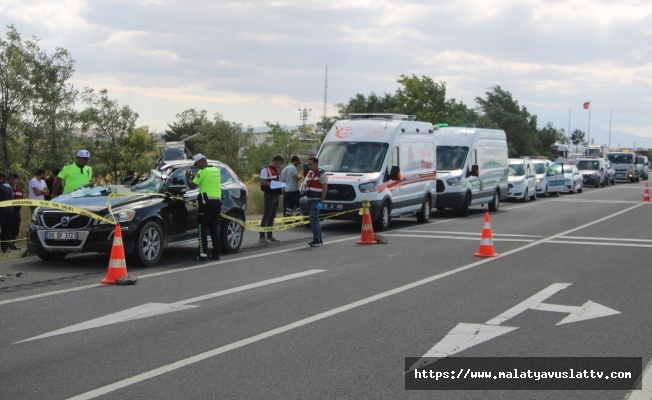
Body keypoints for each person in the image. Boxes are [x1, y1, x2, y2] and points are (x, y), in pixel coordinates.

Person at [185, 154, 222, 261]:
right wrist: (194, 175)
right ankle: (216, 254)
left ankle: (203, 254)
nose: (197, 166)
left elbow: (192, 185)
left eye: (196, 164)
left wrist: (188, 177)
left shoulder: (202, 172)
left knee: (202, 229)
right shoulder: (215, 170)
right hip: (217, 202)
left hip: (206, 203)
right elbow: (204, 178)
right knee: (214, 229)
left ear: (201, 161)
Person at [259, 155, 284, 243]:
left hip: (276, 194)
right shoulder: (265, 170)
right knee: (267, 215)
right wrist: (273, 184)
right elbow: (262, 182)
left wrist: (281, 183)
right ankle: (262, 237)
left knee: (272, 215)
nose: (279, 166)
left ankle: (270, 236)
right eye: (279, 164)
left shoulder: (276, 170)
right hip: (269, 194)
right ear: (275, 161)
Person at [304, 156, 328, 247]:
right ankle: (318, 239)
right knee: (314, 219)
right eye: (308, 164)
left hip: (316, 200)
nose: (308, 166)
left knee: (313, 219)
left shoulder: (321, 174)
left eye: (310, 164)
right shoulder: (309, 173)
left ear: (315, 164)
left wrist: (321, 202)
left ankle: (317, 239)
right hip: (309, 200)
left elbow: (325, 188)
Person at [8, 173, 24, 246]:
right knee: (8, 227)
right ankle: (6, 244)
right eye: (10, 179)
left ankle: (12, 243)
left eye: (13, 179)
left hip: (17, 211)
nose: (11, 180)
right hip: (9, 211)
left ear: (17, 180)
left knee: (16, 227)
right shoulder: (7, 188)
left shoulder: (20, 189)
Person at [0, 173, 14, 252]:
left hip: (2, 210)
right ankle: (4, 248)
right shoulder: (9, 187)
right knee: (6, 230)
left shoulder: (1, 187)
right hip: (9, 211)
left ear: (1, 178)